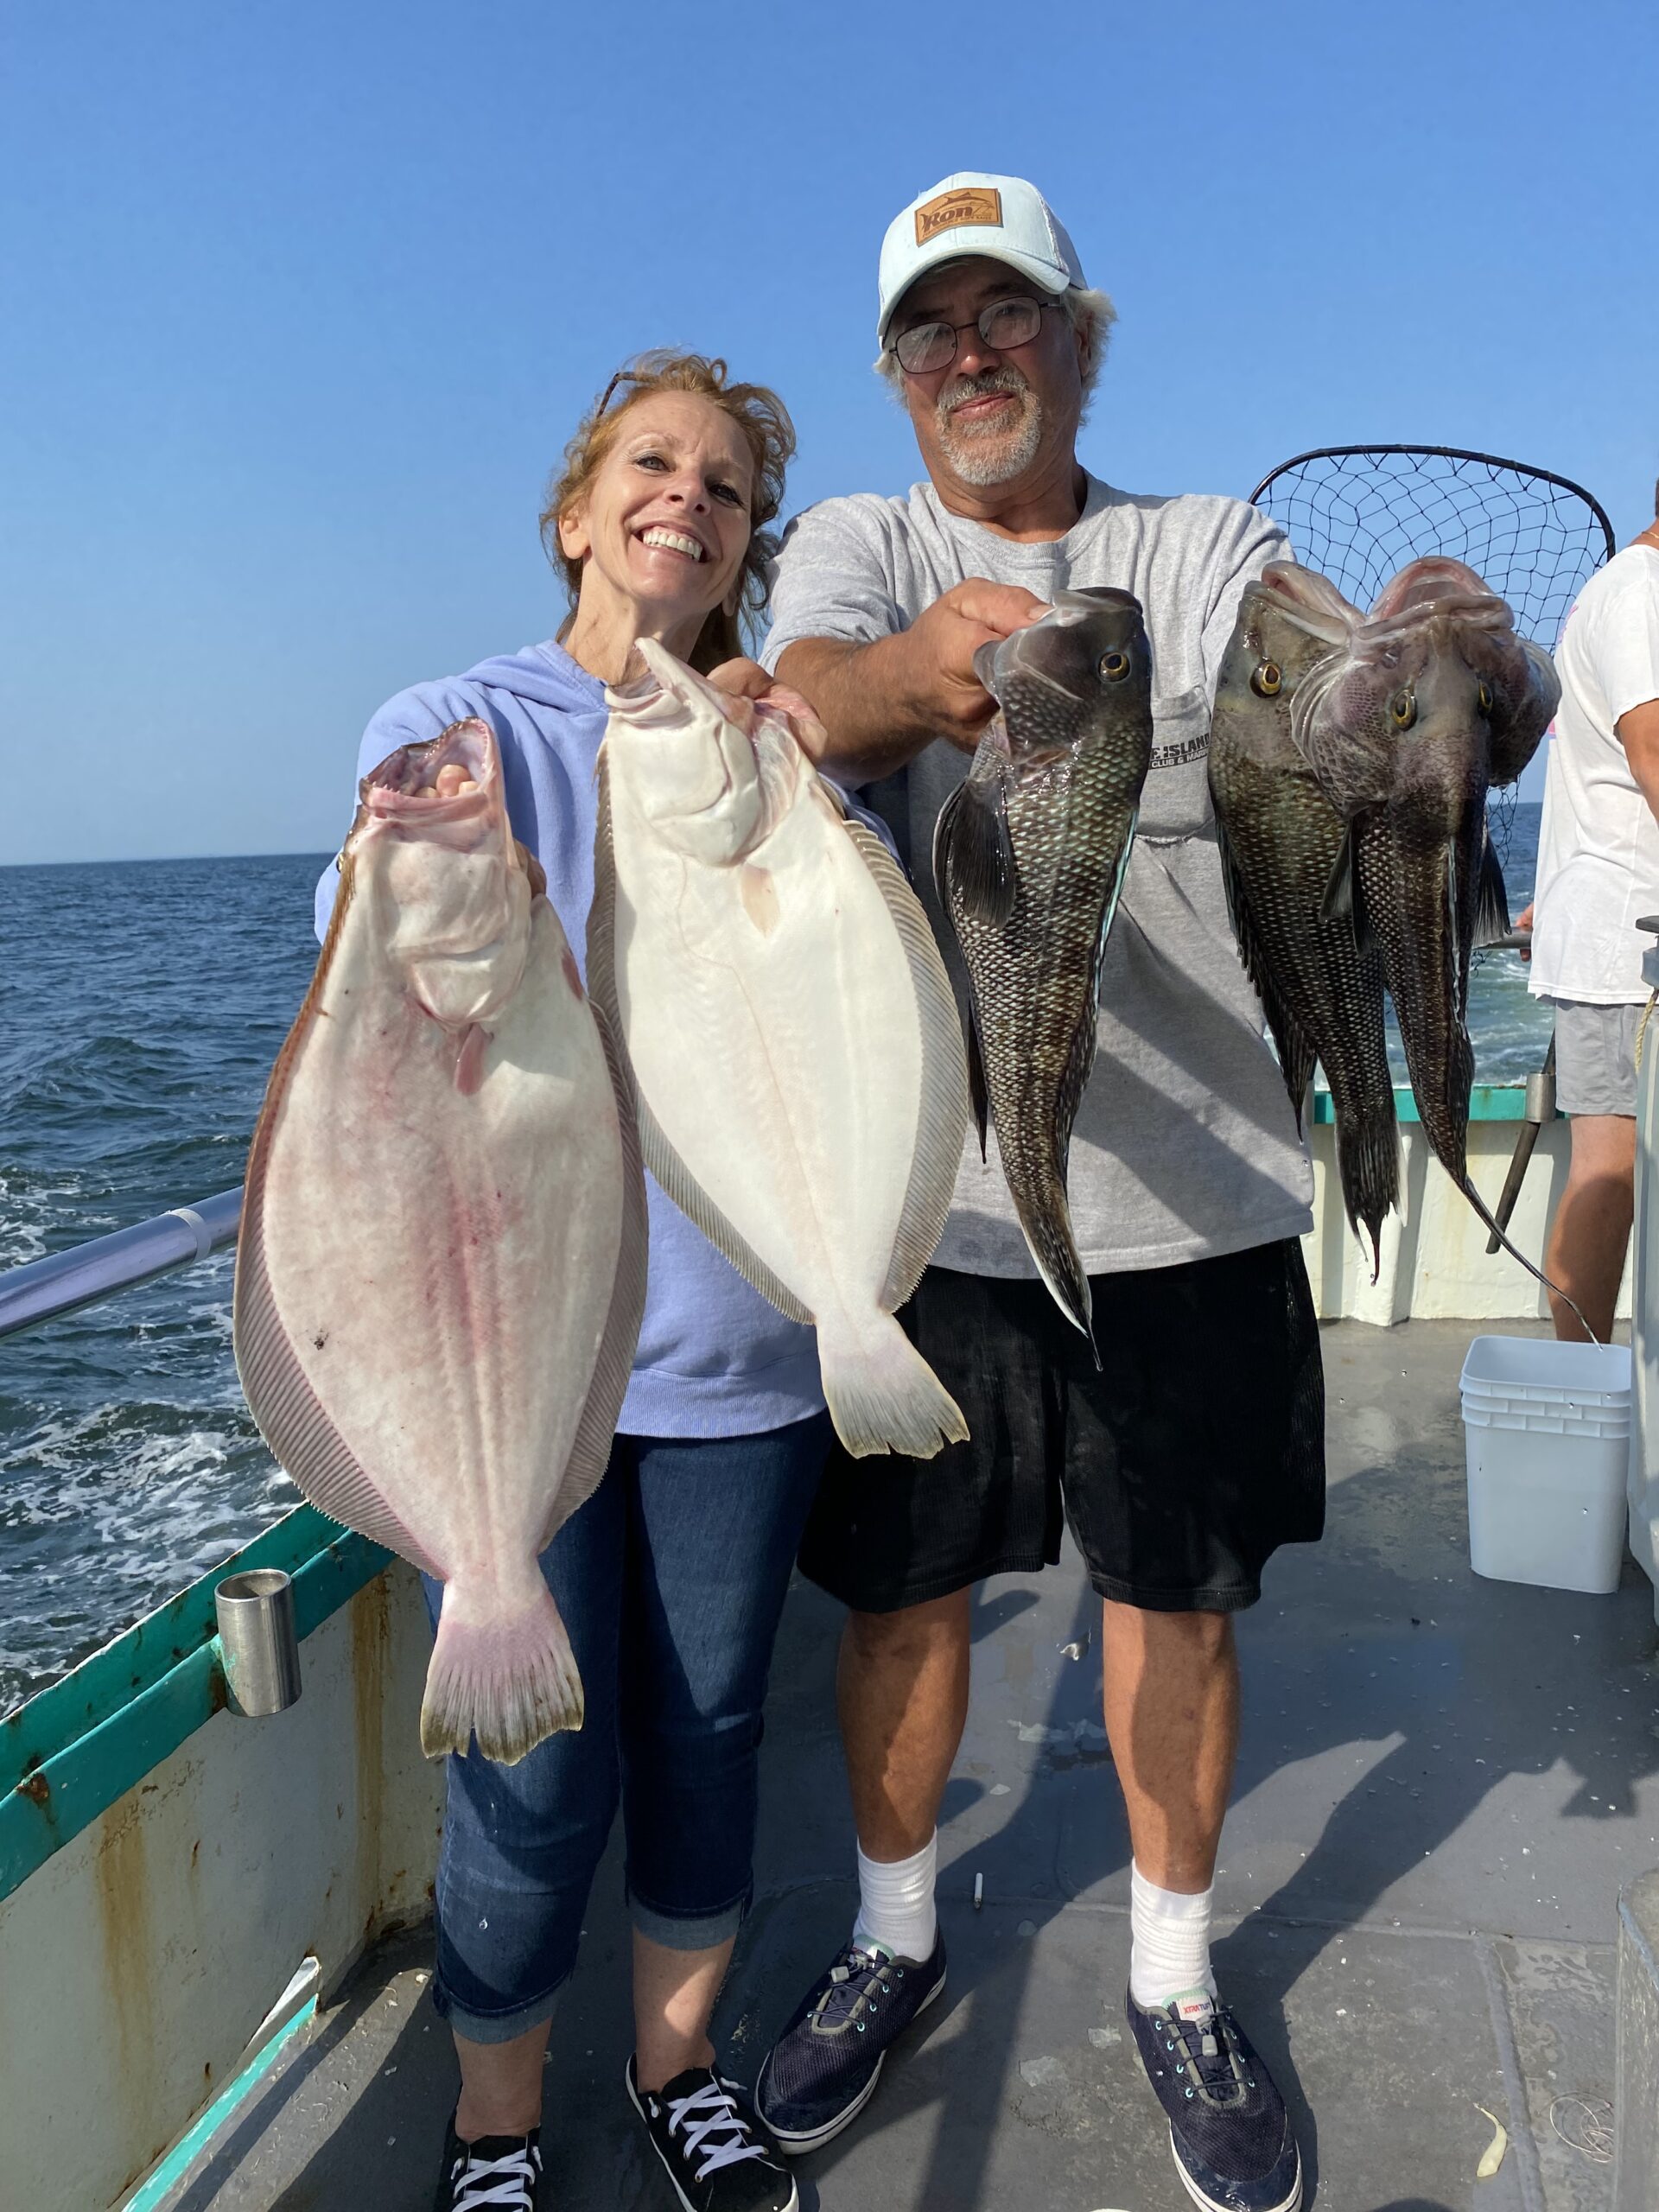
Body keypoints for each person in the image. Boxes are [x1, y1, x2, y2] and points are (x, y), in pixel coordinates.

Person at [750, 175, 1323, 2212]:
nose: (971, 356)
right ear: (898, 377)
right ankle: (892, 1938)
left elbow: (1313, 677)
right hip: (935, 1209)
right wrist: (923, 664)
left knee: (1181, 1595)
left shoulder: (1206, 540)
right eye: (933, 331)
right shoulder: (865, 539)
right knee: (905, 1596)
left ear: (1086, 340)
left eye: (1010, 318)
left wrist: (1427, 670)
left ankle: (1172, 1977)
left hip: (1199, 1198)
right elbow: (805, 695)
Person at [316, 353, 824, 2212]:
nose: (685, 494)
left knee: (703, 1745)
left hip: (730, 1351)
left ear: (750, 546)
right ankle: (497, 2125)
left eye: (728, 484)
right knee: (527, 1791)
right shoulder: (462, 722)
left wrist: (781, 764)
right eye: (650, 461)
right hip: (507, 1370)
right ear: (576, 507)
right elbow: (370, 932)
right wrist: (424, 837)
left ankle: (677, 2072)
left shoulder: (767, 739)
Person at [1521, 489, 1659, 1344]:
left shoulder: (1620, 593)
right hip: (1625, 936)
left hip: (1612, 917)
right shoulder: (1641, 593)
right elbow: (1652, 753)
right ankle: (1579, 1390)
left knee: (1613, 1165)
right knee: (1610, 1169)